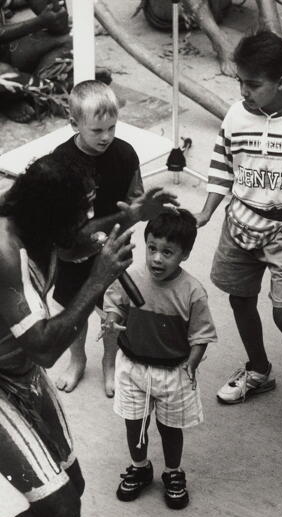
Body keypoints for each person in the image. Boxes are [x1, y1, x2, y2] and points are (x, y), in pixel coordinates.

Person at [195, 30, 282, 428]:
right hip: (239, 222)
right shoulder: (236, 116)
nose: (244, 91)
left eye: (253, 84)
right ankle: (258, 370)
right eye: (240, 81)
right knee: (240, 299)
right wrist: (206, 213)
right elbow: (222, 166)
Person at [0, 154, 137, 517]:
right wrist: (98, 280)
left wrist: (134, 215)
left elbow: (75, 242)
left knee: (72, 486)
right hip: (12, 372)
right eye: (83, 213)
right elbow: (45, 348)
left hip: (20, 369)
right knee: (59, 507)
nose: (90, 221)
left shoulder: (39, 223)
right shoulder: (4, 251)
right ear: (52, 216)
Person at [52, 79, 160, 397]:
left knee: (114, 313)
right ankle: (77, 360)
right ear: (74, 123)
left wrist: (137, 211)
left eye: (112, 127)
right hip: (73, 251)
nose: (106, 137)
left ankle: (109, 364)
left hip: (114, 247)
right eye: (97, 130)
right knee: (75, 309)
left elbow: (137, 198)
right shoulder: (60, 160)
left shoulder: (125, 155)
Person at [102, 210, 217, 509]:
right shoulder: (131, 280)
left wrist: (192, 363)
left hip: (174, 370)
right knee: (133, 423)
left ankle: (172, 472)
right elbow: (114, 305)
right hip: (133, 366)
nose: (156, 258)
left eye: (168, 252)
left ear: (185, 254)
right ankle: (140, 467)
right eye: (152, 248)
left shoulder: (193, 292)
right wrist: (112, 321)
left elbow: (201, 334)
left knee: (170, 428)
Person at [0, 0, 72, 122]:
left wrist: (53, 12)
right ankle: (60, 89)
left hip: (7, 51)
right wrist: (39, 22)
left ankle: (32, 87)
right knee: (6, 75)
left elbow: (61, 26)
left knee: (70, 38)